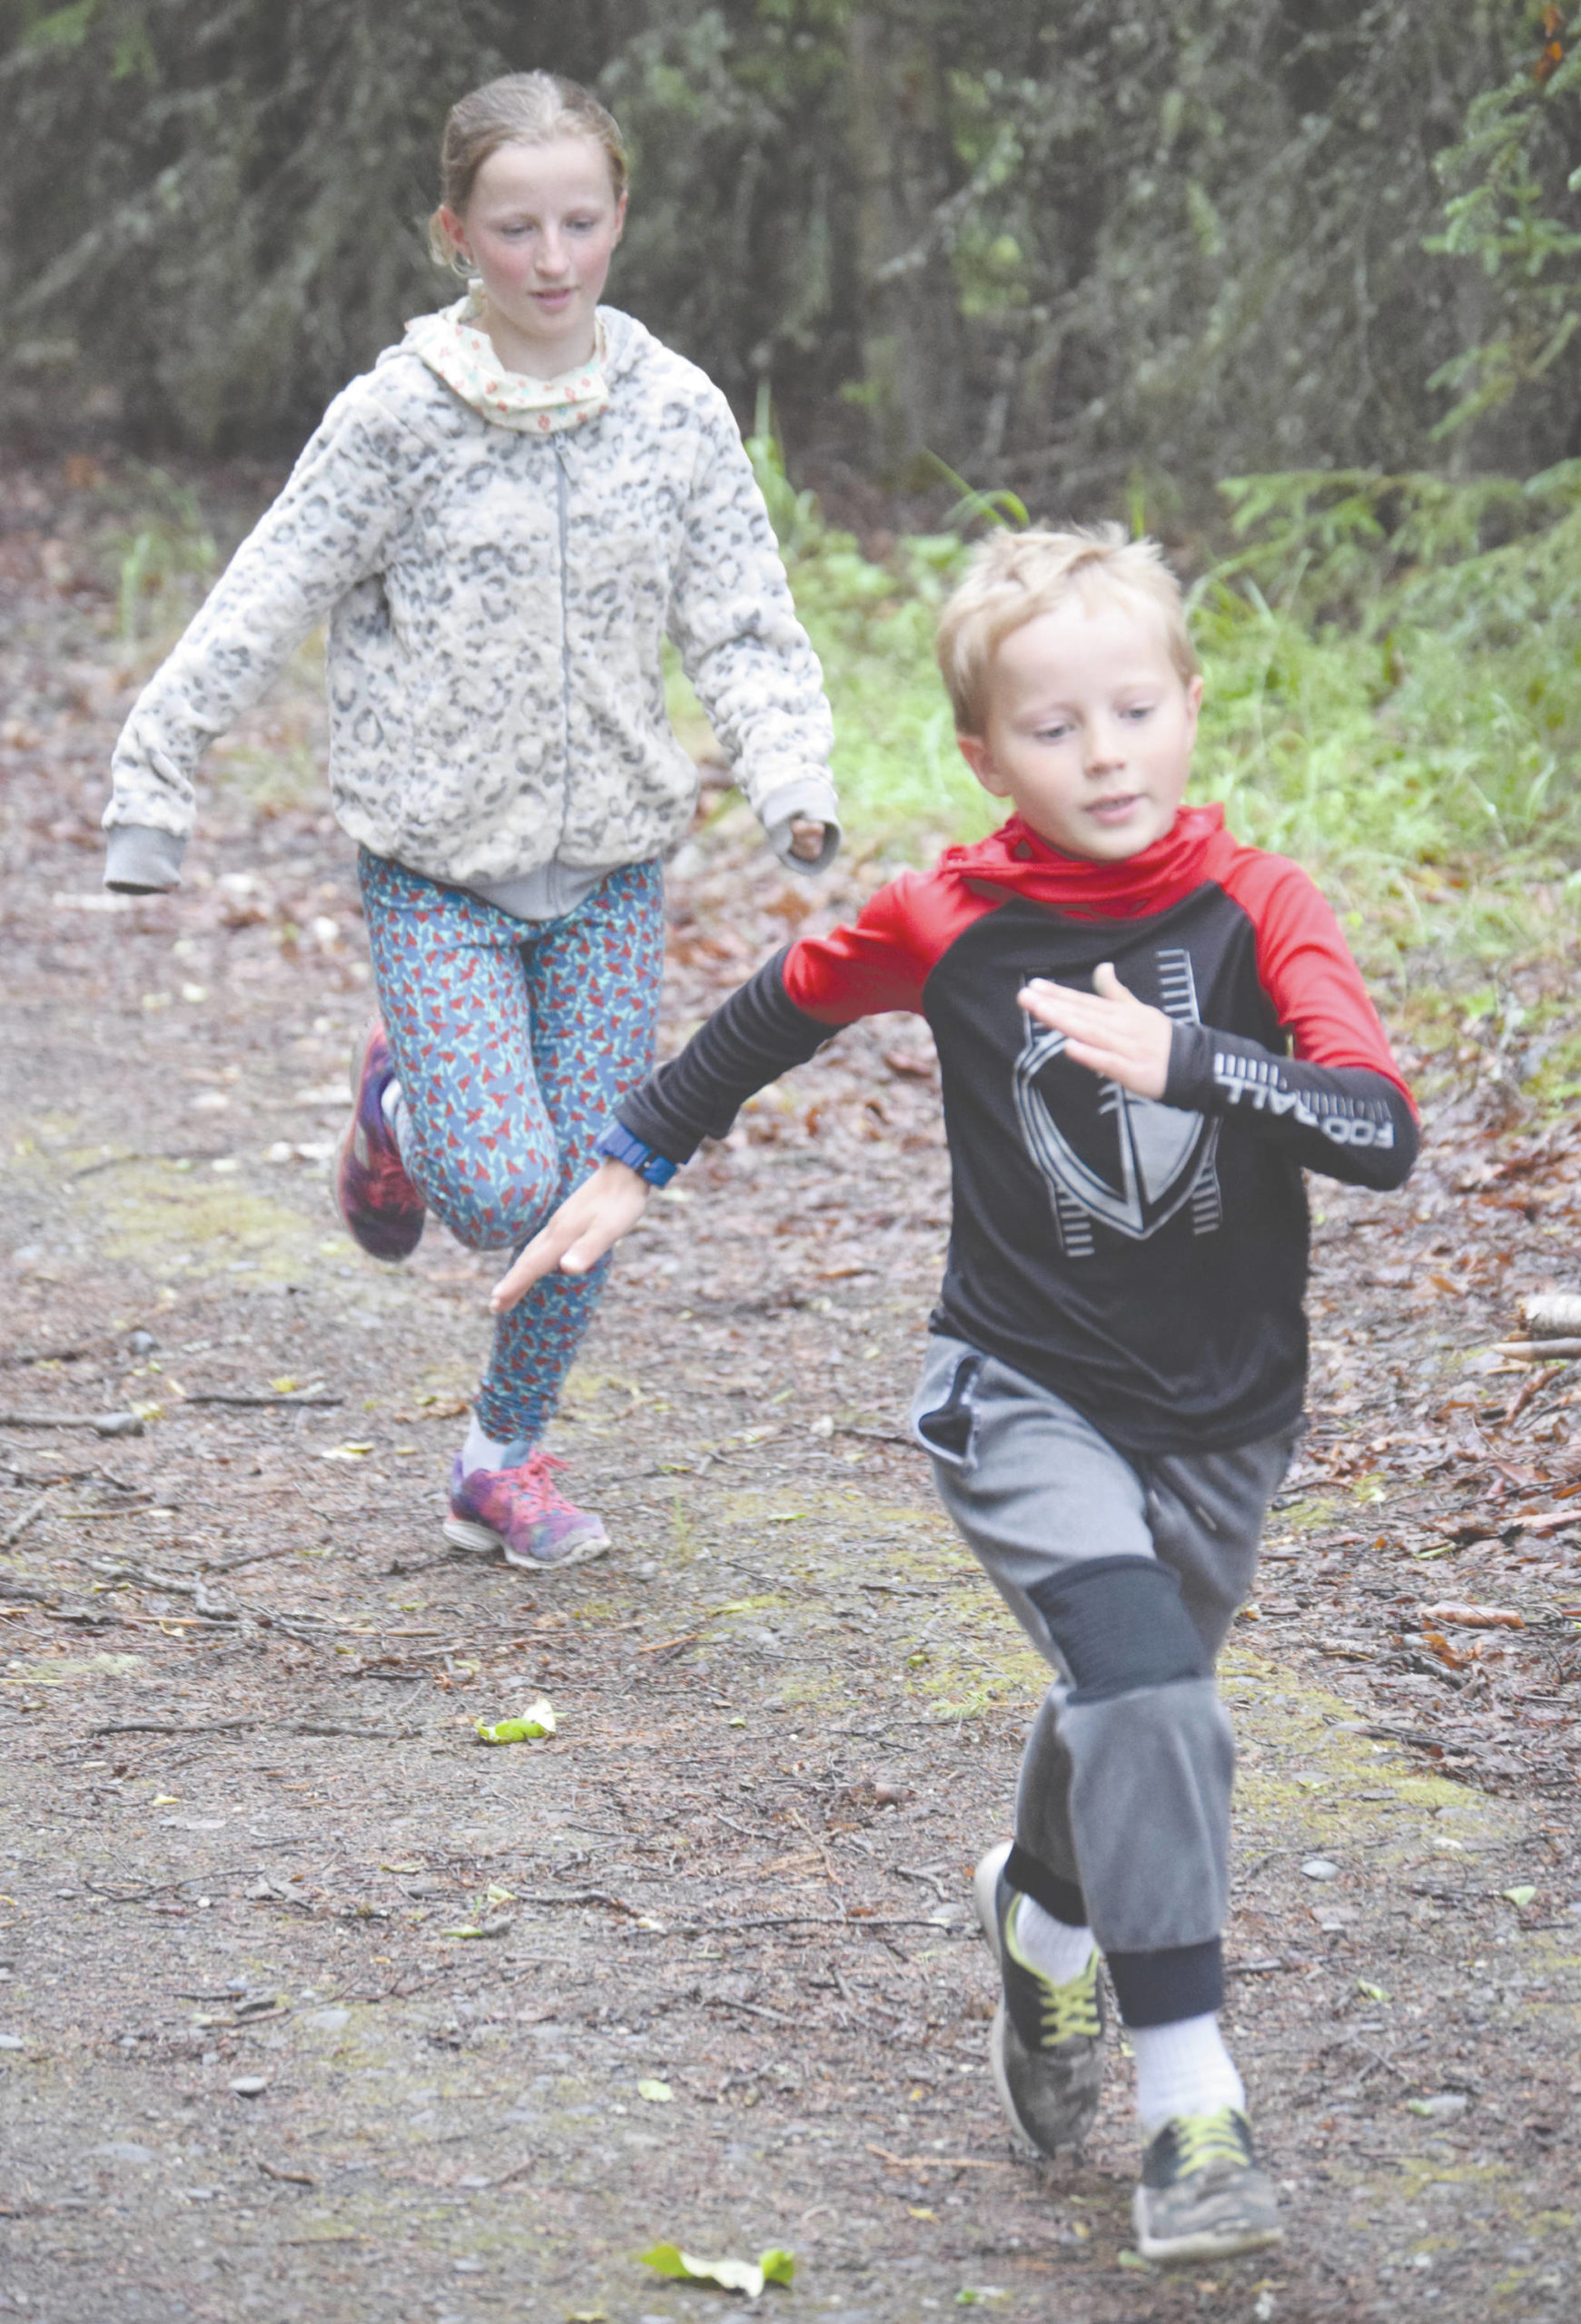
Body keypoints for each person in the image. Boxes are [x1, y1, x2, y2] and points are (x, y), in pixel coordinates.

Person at [489, 526, 1418, 2260]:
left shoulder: (1261, 911)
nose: (1105, 754)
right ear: (987, 756)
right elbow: (775, 1009)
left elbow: (1378, 1131)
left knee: (1130, 1698)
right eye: (1054, 730)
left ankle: (1040, 1921)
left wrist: (1198, 1061)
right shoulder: (957, 918)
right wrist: (630, 1164)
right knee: (1153, 1701)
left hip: (1226, 1413)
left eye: (1134, 710)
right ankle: (1190, 2108)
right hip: (1022, 1390)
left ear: (1189, 708)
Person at [100, 71, 839, 1571]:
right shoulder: (395, 420)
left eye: (580, 221)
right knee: (500, 1183)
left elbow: (746, 629)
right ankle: (402, 1107)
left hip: (614, 869)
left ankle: (500, 1458)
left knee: (592, 1187)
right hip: (435, 868)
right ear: (455, 234)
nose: (552, 259)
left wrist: (792, 786)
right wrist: (153, 778)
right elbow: (267, 594)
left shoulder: (676, 412)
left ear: (620, 217)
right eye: (515, 228)